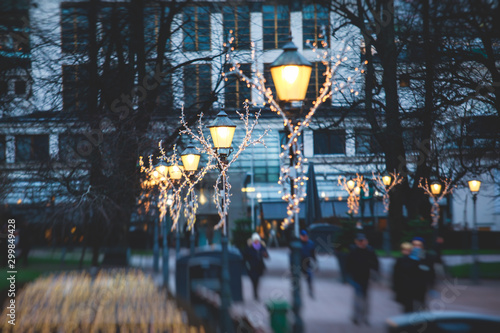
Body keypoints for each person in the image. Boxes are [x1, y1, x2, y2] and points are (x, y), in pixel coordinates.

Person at [345, 233, 379, 325]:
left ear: (366, 241)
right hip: (356, 278)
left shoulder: (370, 251)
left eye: (362, 241)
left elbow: (376, 264)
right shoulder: (353, 251)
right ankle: (356, 316)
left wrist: (375, 274)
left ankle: (365, 317)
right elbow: (348, 264)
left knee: (365, 298)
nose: (361, 243)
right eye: (359, 241)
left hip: (366, 277)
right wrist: (348, 276)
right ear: (356, 242)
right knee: (357, 297)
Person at [392, 242, 427, 313]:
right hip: (406, 287)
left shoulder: (417, 258)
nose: (406, 252)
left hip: (415, 286)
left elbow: (423, 271)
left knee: (414, 306)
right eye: (405, 250)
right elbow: (396, 275)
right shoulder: (401, 260)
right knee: (408, 306)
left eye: (408, 250)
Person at [243, 232, 269, 300]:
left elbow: (267, 256)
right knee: (254, 280)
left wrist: (265, 255)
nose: (257, 241)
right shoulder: (249, 247)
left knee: (257, 280)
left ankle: (255, 293)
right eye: (255, 240)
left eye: (257, 240)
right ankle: (255, 293)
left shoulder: (261, 247)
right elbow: (245, 257)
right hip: (252, 267)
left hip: (259, 266)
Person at [299, 230, 316, 298]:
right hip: (299, 264)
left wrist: (315, 262)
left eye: (306, 236)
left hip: (307, 263)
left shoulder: (310, 243)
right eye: (303, 236)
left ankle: (310, 291)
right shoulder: (298, 243)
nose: (305, 237)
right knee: (296, 278)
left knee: (309, 277)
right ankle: (298, 292)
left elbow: (313, 254)